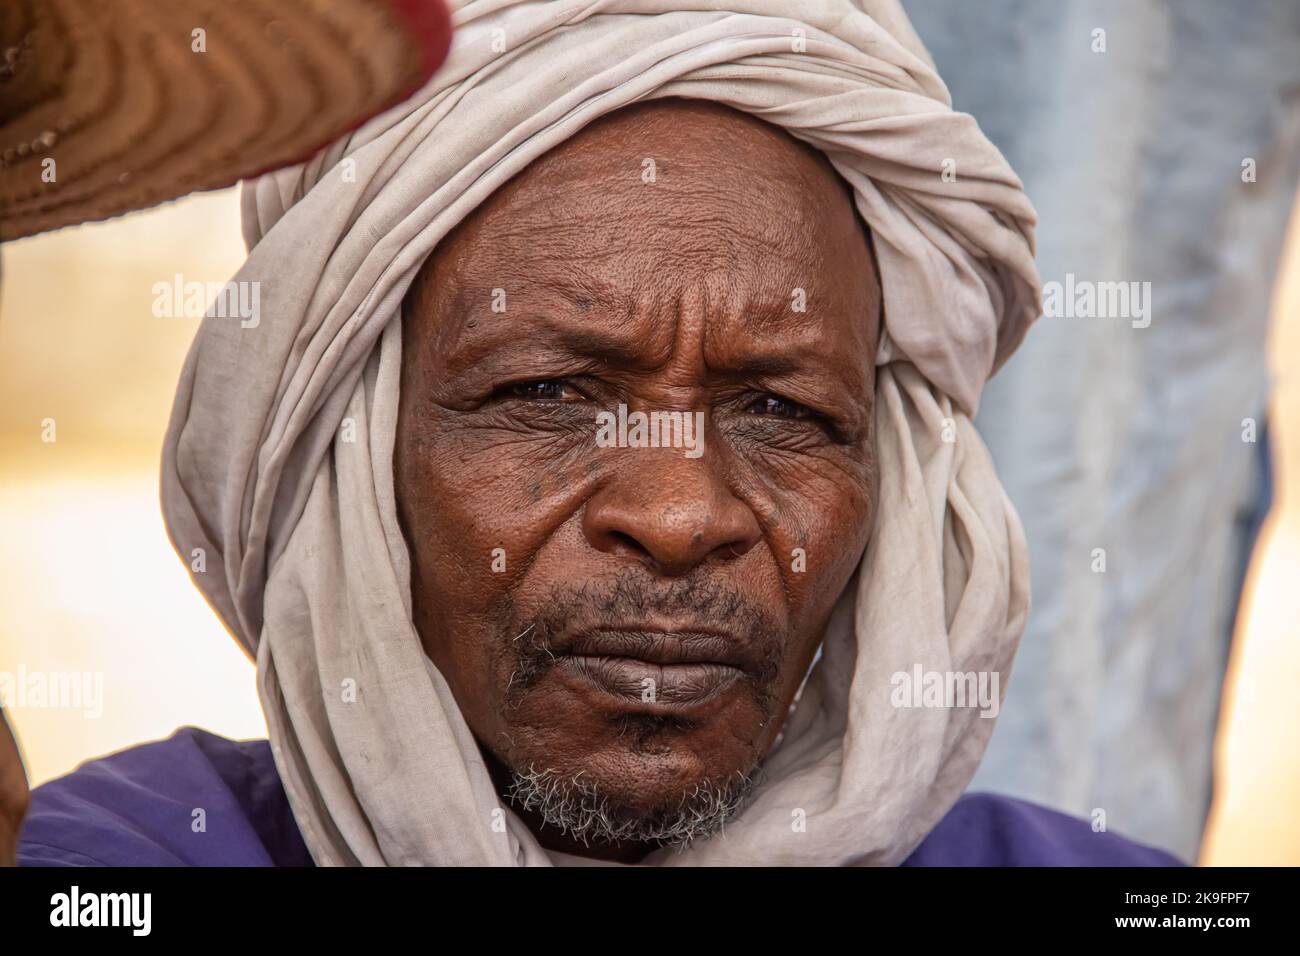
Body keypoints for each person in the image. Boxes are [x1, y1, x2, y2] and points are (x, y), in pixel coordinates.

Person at [6, 0, 1181, 867]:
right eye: (549, 396)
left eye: (782, 411)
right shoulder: (118, 857)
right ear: (348, 453)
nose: (680, 517)